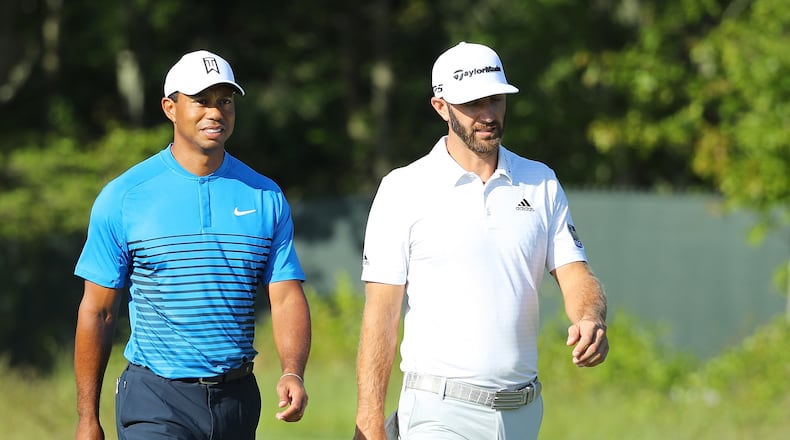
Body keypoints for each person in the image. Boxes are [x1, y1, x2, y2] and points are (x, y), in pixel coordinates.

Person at [354, 41, 609, 440]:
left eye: (495, 100)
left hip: (523, 413)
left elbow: (576, 274)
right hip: (437, 411)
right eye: (473, 103)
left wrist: (591, 318)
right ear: (441, 107)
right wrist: (369, 422)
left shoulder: (541, 181)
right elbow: (381, 315)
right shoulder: (403, 188)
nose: (488, 114)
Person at [73, 50, 311, 440]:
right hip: (155, 398)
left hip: (237, 400)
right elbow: (98, 311)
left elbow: (285, 296)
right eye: (201, 101)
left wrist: (292, 370)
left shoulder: (265, 195)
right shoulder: (125, 197)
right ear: (170, 108)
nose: (215, 112)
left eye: (225, 101)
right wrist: (87, 418)